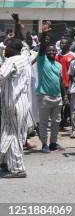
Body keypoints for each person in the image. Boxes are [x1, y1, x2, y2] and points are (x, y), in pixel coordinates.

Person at [0, 38, 32, 178]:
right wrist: (17, 23)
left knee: (12, 134)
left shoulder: (11, 61)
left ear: (12, 49)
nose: (4, 50)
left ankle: (17, 169)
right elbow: (25, 47)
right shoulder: (24, 58)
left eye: (6, 47)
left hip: (12, 103)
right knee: (14, 133)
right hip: (22, 102)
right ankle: (9, 163)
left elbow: (1, 75)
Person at [36, 23, 67, 153]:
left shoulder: (59, 65)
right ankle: (44, 145)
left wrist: (64, 95)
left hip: (57, 97)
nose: (51, 51)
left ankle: (53, 144)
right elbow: (43, 47)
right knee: (43, 123)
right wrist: (44, 34)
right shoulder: (42, 60)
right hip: (44, 96)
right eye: (49, 50)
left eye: (53, 50)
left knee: (56, 122)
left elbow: (61, 82)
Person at [56, 37, 75, 132]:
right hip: (59, 83)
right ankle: (61, 120)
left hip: (69, 83)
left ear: (68, 45)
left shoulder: (72, 55)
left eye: (64, 43)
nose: (62, 45)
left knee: (68, 104)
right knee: (60, 104)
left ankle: (64, 120)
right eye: (61, 43)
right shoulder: (57, 56)